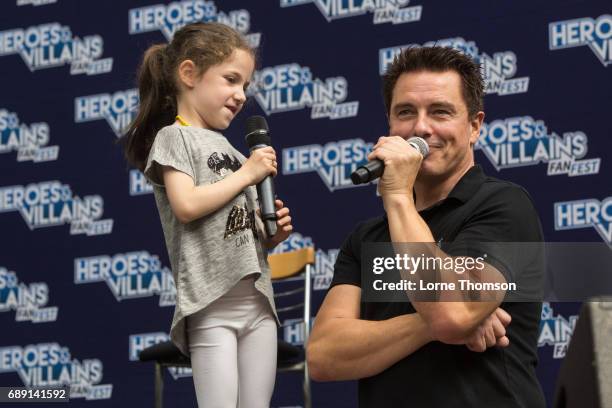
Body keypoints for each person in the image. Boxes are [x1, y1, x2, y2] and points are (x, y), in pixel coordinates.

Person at [307, 46, 546, 407]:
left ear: (475, 126)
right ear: (390, 125)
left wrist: (399, 197)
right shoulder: (366, 237)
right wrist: (428, 326)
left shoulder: (503, 205)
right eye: (405, 112)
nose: (421, 127)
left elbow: (451, 313)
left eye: (440, 112)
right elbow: (324, 356)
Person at [122, 22, 293, 408]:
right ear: (189, 74)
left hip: (258, 304)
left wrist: (271, 234)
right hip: (211, 307)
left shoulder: (233, 152)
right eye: (231, 79)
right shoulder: (174, 137)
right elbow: (187, 206)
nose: (240, 95)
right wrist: (248, 174)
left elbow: (236, 228)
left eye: (245, 86)